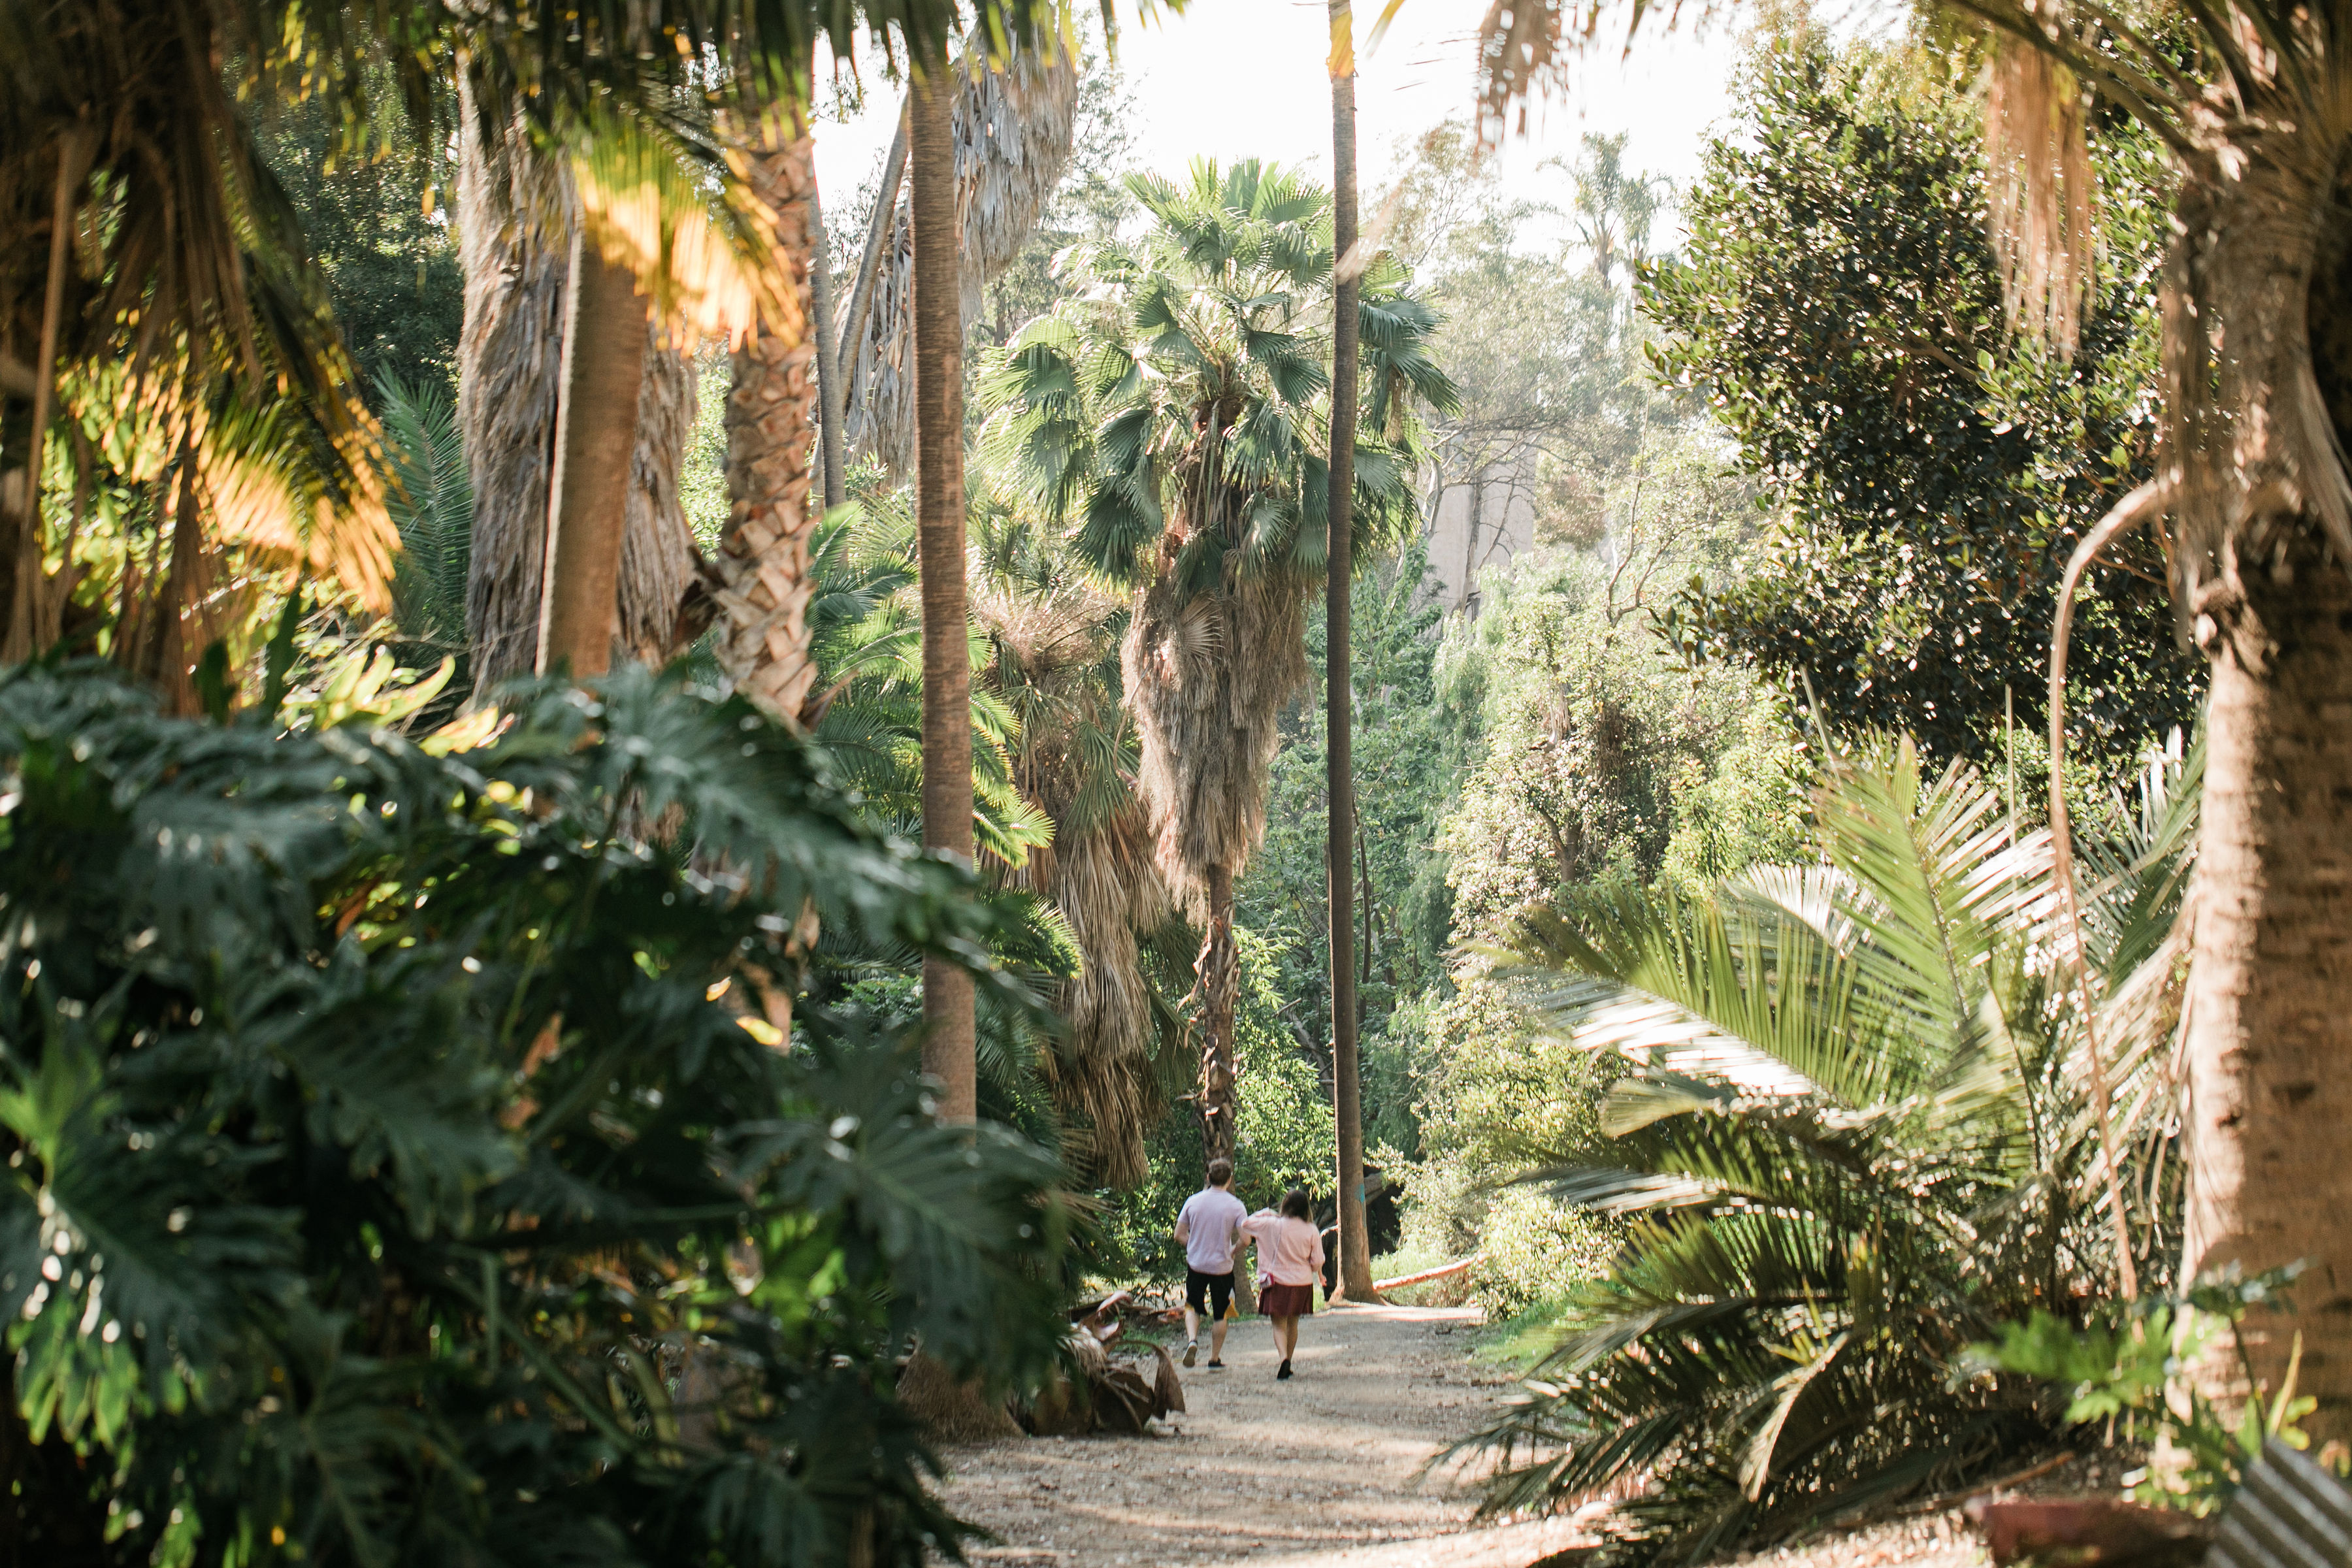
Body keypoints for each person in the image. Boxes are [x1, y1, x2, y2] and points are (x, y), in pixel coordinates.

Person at [1239, 1188, 1324, 1381]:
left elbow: (1246, 1224)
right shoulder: (1311, 1229)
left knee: (1278, 1325)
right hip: (1302, 1283)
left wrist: (1267, 1212)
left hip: (1277, 1283)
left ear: (1285, 1205)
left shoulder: (1271, 1224)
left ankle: (1283, 1358)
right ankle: (1289, 1362)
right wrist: (1313, 1270)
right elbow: (1317, 1262)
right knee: (1293, 1323)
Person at [1172, 1157, 1247, 1369]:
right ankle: (1214, 1358)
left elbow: (1178, 1234)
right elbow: (1246, 1239)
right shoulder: (1236, 1206)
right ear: (1229, 1179)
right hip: (1222, 1267)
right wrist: (1232, 1251)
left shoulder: (1193, 1201)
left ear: (1208, 1177)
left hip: (1197, 1264)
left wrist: (1195, 1245)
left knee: (1192, 1306)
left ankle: (1192, 1340)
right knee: (1221, 1313)